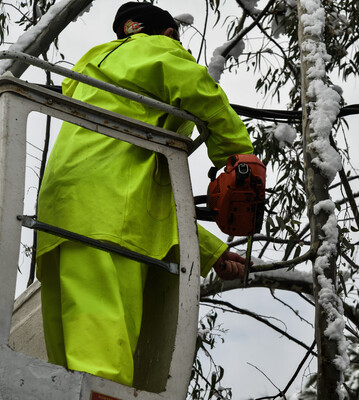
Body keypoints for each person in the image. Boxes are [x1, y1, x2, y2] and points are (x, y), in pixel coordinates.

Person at [35, 2, 253, 387]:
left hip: (59, 211)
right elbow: (199, 90)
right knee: (102, 363)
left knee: (68, 362)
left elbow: (146, 194)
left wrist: (210, 252)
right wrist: (239, 157)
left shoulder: (93, 76)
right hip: (110, 221)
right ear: (167, 33)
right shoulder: (158, 49)